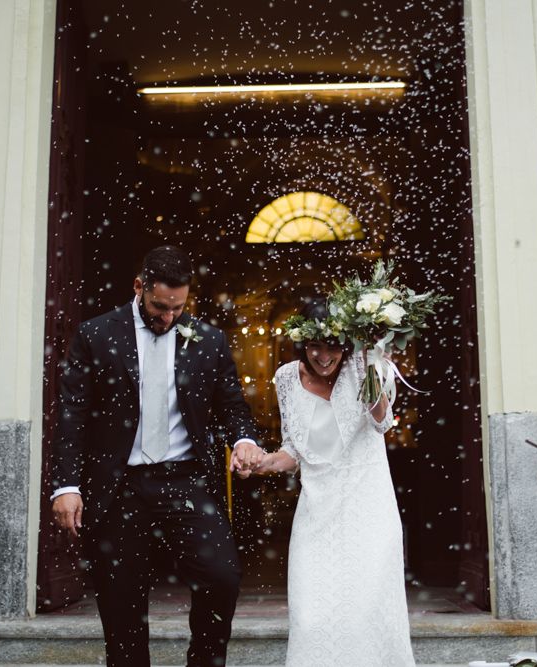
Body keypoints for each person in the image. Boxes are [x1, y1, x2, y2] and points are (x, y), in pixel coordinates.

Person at [50, 245, 265, 667]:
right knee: (121, 597)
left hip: (186, 480)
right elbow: (72, 415)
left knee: (222, 577)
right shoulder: (96, 335)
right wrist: (67, 486)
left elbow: (232, 405)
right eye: (159, 306)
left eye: (177, 308)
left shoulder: (208, 339)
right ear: (139, 287)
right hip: (120, 484)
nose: (168, 317)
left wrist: (243, 440)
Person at [232, 298, 416, 667]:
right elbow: (293, 450)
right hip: (317, 513)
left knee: (364, 615)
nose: (323, 355)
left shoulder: (362, 367)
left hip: (368, 511)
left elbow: (381, 421)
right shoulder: (286, 377)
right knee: (312, 615)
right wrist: (259, 464)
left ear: (345, 344)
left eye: (332, 346)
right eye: (314, 346)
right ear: (303, 343)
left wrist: (371, 363)